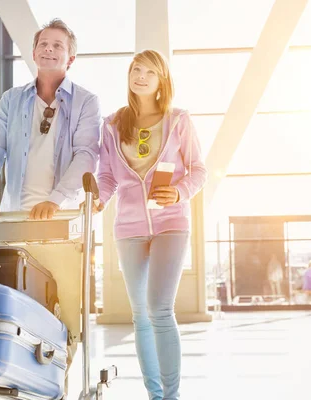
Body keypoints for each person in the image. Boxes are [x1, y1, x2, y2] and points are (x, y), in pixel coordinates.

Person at [95, 49, 207, 400]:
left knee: (159, 307)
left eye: (149, 72)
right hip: (128, 226)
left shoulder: (179, 121)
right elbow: (108, 176)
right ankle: (155, 395)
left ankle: (171, 397)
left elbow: (199, 170)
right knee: (140, 315)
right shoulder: (113, 125)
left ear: (162, 81)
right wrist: (98, 200)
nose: (140, 76)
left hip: (170, 221)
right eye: (135, 70)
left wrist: (179, 192)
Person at [0, 18, 101, 222]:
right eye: (43, 44)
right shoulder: (11, 99)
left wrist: (55, 201)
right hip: (14, 217)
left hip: (61, 218)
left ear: (70, 59)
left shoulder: (86, 102)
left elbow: (86, 156)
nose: (48, 49)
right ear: (34, 54)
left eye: (57, 45)